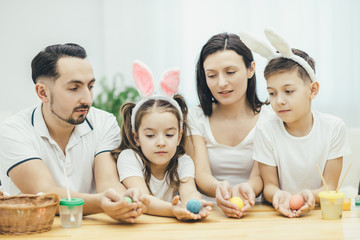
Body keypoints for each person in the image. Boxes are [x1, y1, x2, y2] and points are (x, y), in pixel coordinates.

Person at [0, 43, 149, 223]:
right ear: (43, 92)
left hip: (92, 230)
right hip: (36, 231)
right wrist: (101, 203)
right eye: (74, 88)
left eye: (90, 86)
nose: (87, 98)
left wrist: (124, 201)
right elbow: (44, 193)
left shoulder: (104, 123)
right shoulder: (13, 131)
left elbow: (108, 183)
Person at [244, 29, 351, 218]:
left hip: (319, 217)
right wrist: (278, 195)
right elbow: (269, 186)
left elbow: (330, 186)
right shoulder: (266, 129)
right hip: (276, 216)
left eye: (289, 91)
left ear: (313, 90)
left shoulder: (333, 128)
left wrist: (310, 195)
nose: (279, 101)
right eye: (272, 93)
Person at [185, 33, 274, 218]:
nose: (221, 83)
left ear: (251, 69)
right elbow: (201, 174)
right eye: (212, 75)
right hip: (208, 213)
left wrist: (248, 189)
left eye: (230, 72)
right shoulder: (196, 116)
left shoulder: (270, 117)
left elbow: (259, 177)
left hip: (256, 212)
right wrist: (219, 188)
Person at [113, 61, 212, 221]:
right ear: (136, 137)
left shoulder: (184, 162)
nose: (161, 142)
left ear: (179, 137)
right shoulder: (129, 158)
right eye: (150, 136)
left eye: (169, 135)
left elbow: (189, 190)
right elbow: (143, 198)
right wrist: (174, 210)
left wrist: (194, 204)